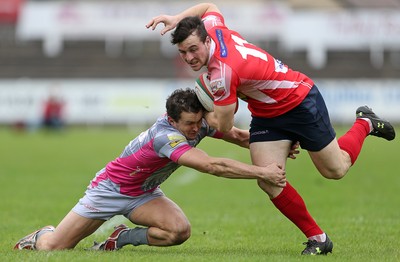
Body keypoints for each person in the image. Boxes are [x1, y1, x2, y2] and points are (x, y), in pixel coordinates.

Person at [146, 3, 396, 255]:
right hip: (267, 112)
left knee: (335, 169)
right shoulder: (213, 27)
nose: (189, 57)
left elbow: (224, 125)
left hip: (299, 102)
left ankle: (365, 122)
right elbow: (210, 6)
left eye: (193, 49)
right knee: (268, 177)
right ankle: (318, 238)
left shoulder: (222, 74)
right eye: (183, 52)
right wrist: (176, 18)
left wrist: (207, 113)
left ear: (206, 41)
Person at [14, 88, 300, 252]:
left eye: (198, 121)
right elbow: (213, 165)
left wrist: (282, 145)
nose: (196, 129)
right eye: (189, 124)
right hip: (109, 190)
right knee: (55, 248)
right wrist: (262, 172)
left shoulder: (198, 122)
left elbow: (238, 136)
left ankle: (120, 238)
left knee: (178, 231)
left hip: (144, 192)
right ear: (172, 120)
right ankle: (41, 234)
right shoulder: (166, 137)